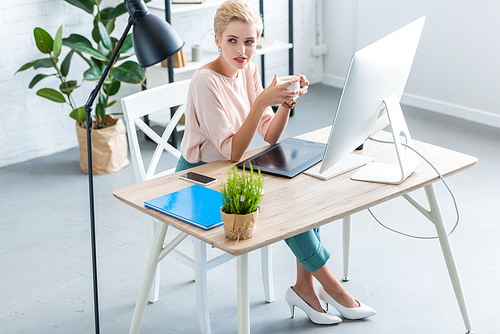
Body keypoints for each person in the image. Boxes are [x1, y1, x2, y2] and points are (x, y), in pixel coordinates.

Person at [177, 0, 376, 326]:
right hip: (197, 177)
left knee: (302, 191)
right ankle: (333, 288)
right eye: (232, 40)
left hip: (231, 172)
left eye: (249, 42)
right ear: (217, 40)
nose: (242, 50)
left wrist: (284, 103)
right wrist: (260, 101)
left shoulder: (249, 70)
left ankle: (305, 288)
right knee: (280, 203)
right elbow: (231, 152)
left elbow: (269, 135)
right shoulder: (205, 81)